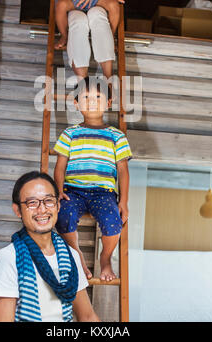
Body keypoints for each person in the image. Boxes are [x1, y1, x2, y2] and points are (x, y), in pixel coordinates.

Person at [0, 171, 100, 322]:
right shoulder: (9, 257)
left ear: (58, 206)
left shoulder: (71, 256)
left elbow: (87, 317)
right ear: (17, 211)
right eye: (32, 203)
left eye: (48, 201)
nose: (42, 210)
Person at [53, 77, 132, 282]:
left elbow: (122, 170)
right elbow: (60, 166)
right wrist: (58, 191)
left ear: (108, 102)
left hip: (103, 192)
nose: (92, 100)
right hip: (73, 190)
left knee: (114, 221)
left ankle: (105, 258)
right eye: (86, 97)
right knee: (63, 215)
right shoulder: (70, 133)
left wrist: (123, 201)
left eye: (98, 96)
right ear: (76, 103)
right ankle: (76, 255)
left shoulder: (117, 136)